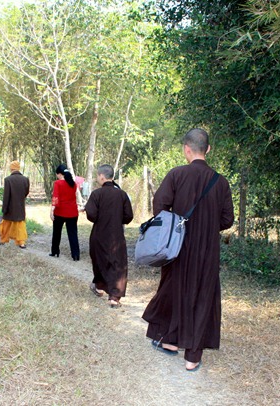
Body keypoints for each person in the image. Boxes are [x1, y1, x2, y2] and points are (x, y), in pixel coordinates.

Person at [142, 128, 234, 372]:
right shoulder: (221, 182)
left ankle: (170, 341)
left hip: (177, 246)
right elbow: (227, 220)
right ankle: (192, 358)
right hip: (208, 250)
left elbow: (160, 206)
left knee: (174, 289)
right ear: (208, 149)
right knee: (203, 296)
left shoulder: (177, 174)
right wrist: (208, 224)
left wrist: (175, 224)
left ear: (186, 149)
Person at [84, 164, 134, 308]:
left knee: (99, 260)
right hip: (116, 235)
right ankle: (114, 297)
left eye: (97, 176)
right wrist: (117, 219)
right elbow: (128, 216)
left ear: (101, 176)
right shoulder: (122, 195)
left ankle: (99, 286)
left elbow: (91, 215)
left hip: (99, 234)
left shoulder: (96, 194)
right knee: (117, 264)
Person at [49, 164, 80, 261]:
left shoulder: (58, 183)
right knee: (73, 234)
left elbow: (56, 197)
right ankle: (75, 255)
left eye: (57, 174)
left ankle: (55, 251)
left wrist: (52, 210)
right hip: (73, 212)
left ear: (59, 174)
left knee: (57, 232)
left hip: (60, 212)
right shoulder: (73, 184)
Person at [0, 160, 30, 248]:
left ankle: (3, 239)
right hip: (20, 206)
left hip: (10, 207)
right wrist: (20, 199)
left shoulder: (8, 180)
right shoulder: (25, 179)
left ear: (11, 168)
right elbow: (26, 192)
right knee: (20, 224)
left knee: (6, 224)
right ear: (18, 168)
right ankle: (21, 243)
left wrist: (4, 208)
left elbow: (6, 196)